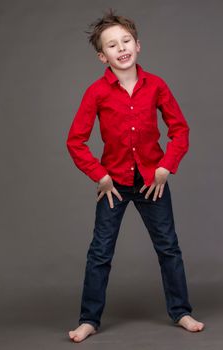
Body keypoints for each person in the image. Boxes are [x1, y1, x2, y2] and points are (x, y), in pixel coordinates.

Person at [66, 8, 205, 343]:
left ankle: (181, 311)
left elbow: (180, 130)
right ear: (103, 56)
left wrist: (165, 167)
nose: (121, 48)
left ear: (138, 45)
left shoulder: (156, 85)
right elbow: (75, 140)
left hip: (152, 183)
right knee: (100, 252)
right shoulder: (96, 93)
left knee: (169, 247)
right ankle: (89, 320)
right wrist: (99, 175)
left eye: (126, 40)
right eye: (112, 45)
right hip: (112, 185)